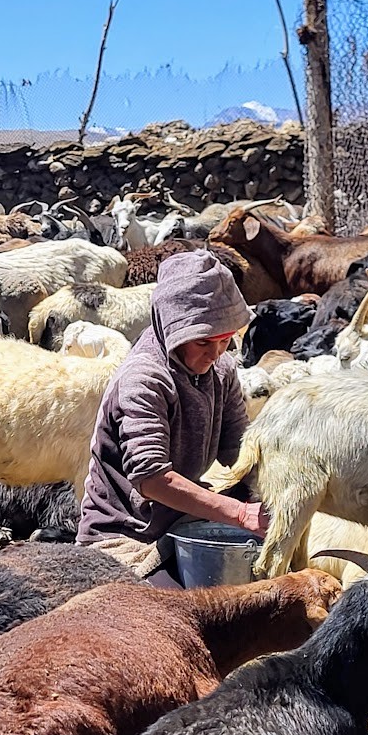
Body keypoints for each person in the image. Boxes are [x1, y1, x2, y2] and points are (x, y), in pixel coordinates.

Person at [76, 249, 269, 584]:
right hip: (128, 533)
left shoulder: (220, 369)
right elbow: (152, 480)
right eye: (204, 342)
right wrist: (239, 513)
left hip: (181, 517)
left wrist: (280, 490)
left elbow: (241, 451)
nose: (216, 352)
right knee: (198, 610)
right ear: (173, 326)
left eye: (225, 340)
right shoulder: (144, 379)